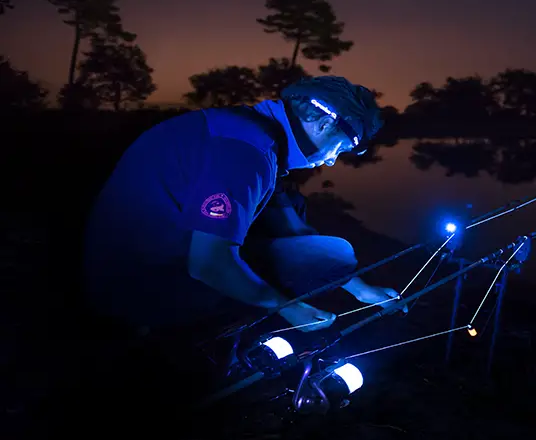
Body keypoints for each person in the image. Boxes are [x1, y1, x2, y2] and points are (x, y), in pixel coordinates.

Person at [82, 76, 400, 341]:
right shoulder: (246, 154)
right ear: (321, 122)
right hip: (134, 286)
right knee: (333, 254)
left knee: (297, 213)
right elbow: (208, 264)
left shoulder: (249, 130)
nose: (331, 160)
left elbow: (293, 228)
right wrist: (287, 308)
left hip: (137, 263)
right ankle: (186, 331)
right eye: (340, 148)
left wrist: (362, 291)